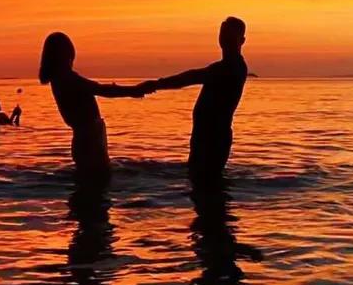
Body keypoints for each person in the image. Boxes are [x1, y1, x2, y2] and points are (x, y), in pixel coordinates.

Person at [141, 16, 248, 182]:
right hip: (204, 136)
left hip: (214, 139)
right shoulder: (224, 66)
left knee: (207, 187)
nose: (225, 39)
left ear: (241, 40)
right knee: (200, 186)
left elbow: (191, 77)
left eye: (230, 35)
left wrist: (157, 84)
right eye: (223, 34)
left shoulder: (232, 67)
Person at [39, 31, 152, 183]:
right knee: (96, 189)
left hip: (87, 139)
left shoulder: (60, 79)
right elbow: (101, 89)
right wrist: (133, 91)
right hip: (89, 142)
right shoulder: (68, 79)